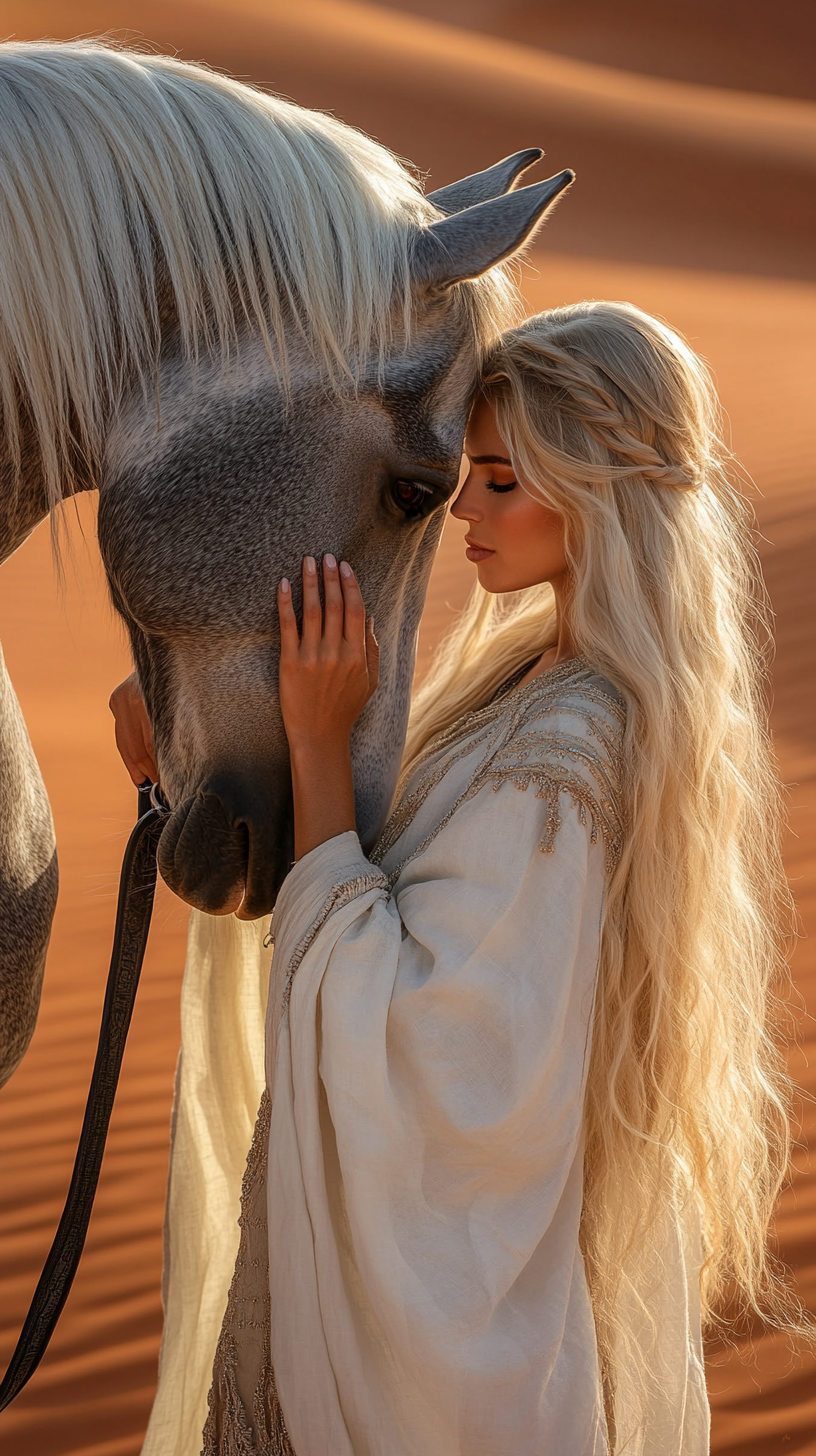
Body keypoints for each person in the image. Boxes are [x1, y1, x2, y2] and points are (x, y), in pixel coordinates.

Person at [112, 301, 802, 1455]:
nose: (464, 513)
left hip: (445, 1390)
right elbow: (368, 895)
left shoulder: (566, 752)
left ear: (594, 490)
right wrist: (198, 763)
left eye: (498, 481)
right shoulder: (527, 685)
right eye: (468, 477)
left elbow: (441, 1057)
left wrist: (323, 742)